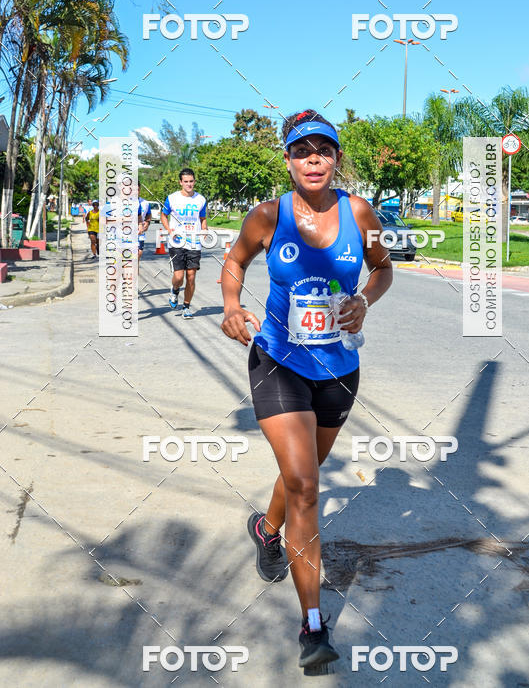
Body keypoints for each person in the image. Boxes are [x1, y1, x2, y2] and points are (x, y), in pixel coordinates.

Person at [220, 109, 392, 668]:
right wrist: (230, 304)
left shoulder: (360, 212)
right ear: (288, 159)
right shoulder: (266, 216)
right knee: (305, 485)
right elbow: (234, 262)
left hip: (339, 368)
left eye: (323, 149)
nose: (312, 159)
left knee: (301, 478)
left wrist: (363, 301)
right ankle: (313, 627)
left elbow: (383, 267)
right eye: (301, 150)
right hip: (277, 361)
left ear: (336, 157)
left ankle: (266, 528)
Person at [161, 168, 207, 319]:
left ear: (194, 181)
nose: (189, 184)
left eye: (191, 181)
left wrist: (205, 230)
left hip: (194, 242)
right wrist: (169, 229)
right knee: (179, 277)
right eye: (186, 182)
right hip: (177, 241)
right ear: (180, 182)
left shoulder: (201, 199)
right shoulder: (172, 198)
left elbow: (203, 219)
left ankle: (186, 307)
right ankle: (175, 290)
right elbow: (163, 215)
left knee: (191, 276)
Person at [138, 185, 152, 266]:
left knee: (137, 256)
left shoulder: (145, 203)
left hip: (140, 232)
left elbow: (149, 215)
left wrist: (147, 222)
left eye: (138, 190)